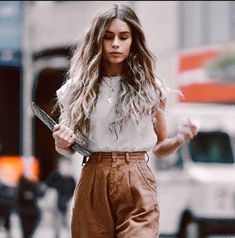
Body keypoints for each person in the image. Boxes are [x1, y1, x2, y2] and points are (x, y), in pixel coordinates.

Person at [52, 3, 198, 238]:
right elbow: (67, 148)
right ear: (97, 41)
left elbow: (160, 149)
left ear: (134, 40)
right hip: (93, 176)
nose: (116, 44)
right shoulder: (76, 90)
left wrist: (180, 138)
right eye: (108, 37)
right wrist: (60, 142)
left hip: (136, 177)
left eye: (124, 36)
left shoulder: (150, 89)